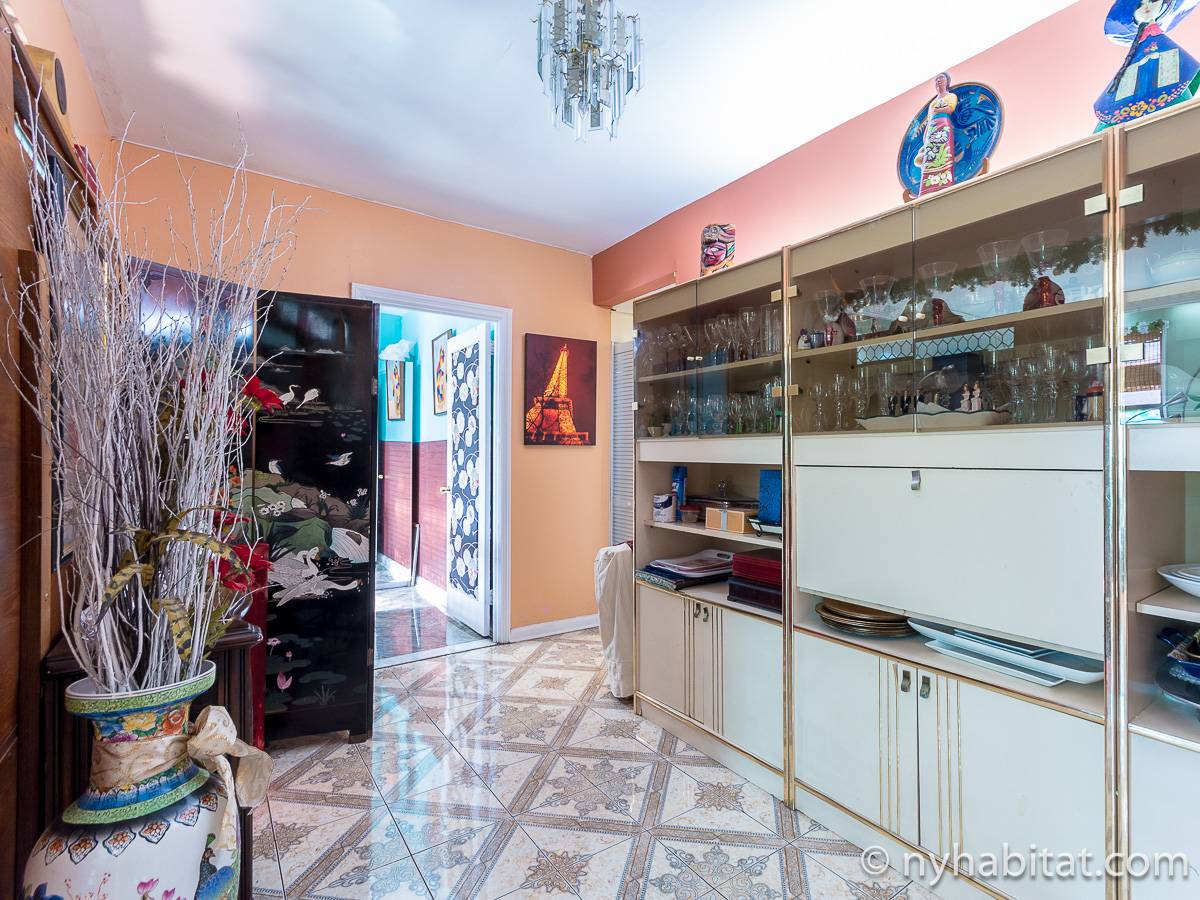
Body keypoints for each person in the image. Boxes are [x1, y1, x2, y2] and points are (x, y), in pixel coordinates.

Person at [1095, 0, 1200, 129]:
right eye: (1140, 5)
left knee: (1169, 84)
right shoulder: (1136, 49)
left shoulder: (1164, 45)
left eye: (1153, 1)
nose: (1146, 7)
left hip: (1163, 64)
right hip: (1137, 68)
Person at [917, 73, 958, 196]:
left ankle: (944, 182)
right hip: (931, 128)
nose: (938, 81)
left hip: (943, 124)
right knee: (930, 156)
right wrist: (926, 135)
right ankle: (928, 187)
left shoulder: (951, 96)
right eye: (936, 79)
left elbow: (950, 108)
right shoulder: (932, 103)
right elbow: (929, 119)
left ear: (947, 81)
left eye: (941, 78)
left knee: (944, 152)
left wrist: (938, 110)